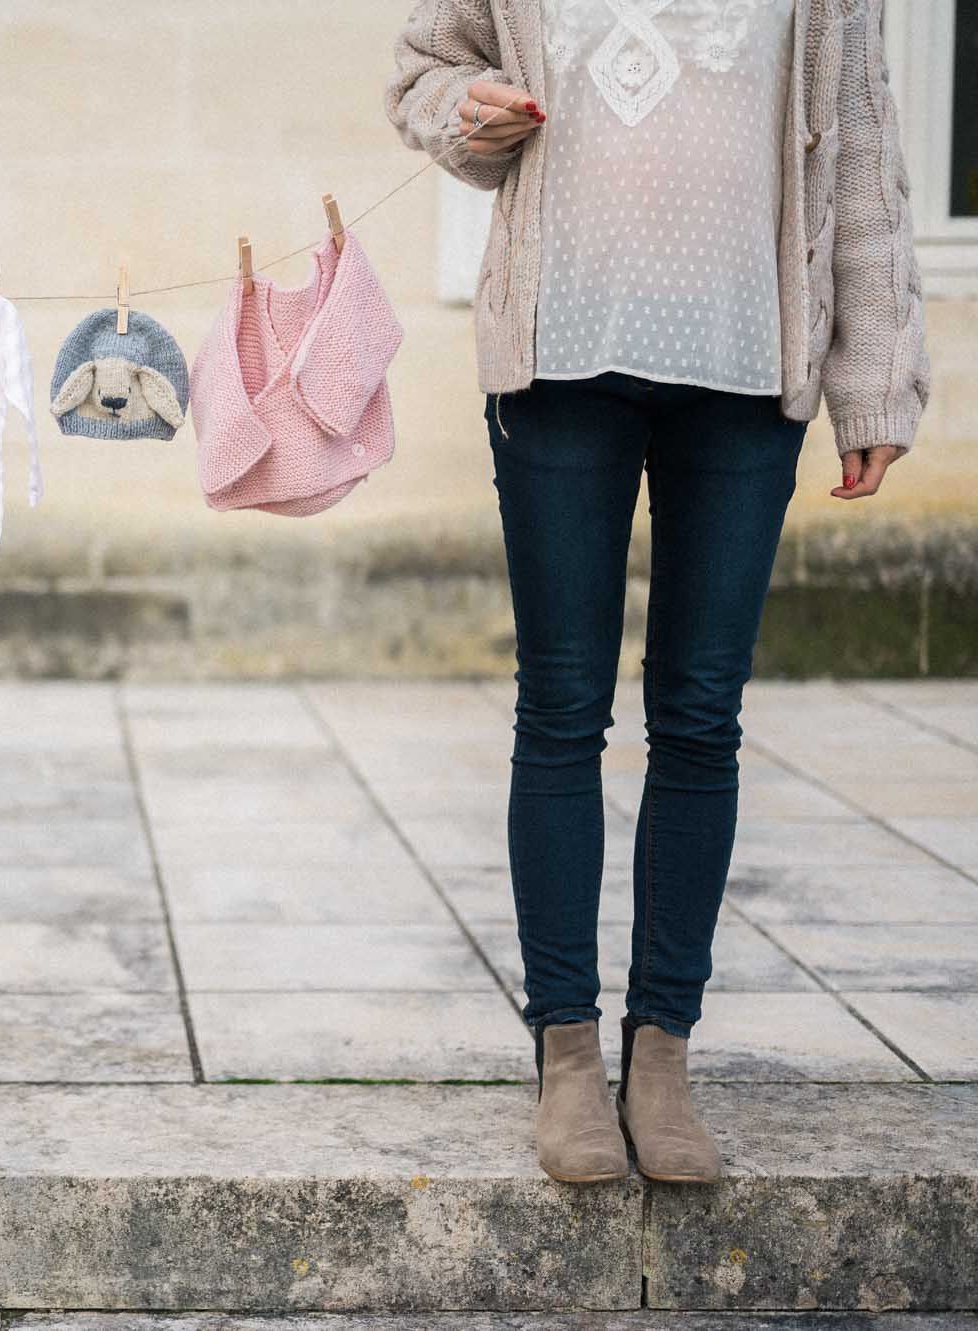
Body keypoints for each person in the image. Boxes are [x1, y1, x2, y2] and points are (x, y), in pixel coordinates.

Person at [387, 0, 928, 1183]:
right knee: (561, 705)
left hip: (745, 366)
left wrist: (875, 381)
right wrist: (467, 116)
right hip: (559, 356)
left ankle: (663, 1051)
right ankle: (568, 1053)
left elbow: (861, 159)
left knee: (698, 712)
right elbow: (427, 70)